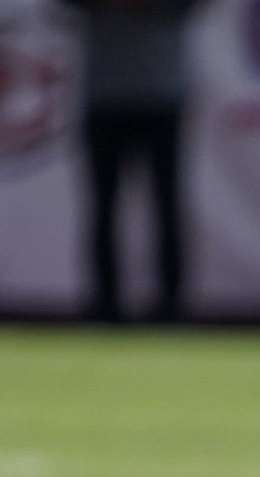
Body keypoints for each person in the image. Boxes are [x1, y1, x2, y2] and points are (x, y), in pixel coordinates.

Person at [67, 0, 199, 321]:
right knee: (103, 205)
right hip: (105, 95)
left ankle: (172, 303)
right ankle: (105, 301)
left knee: (166, 203)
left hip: (161, 95)